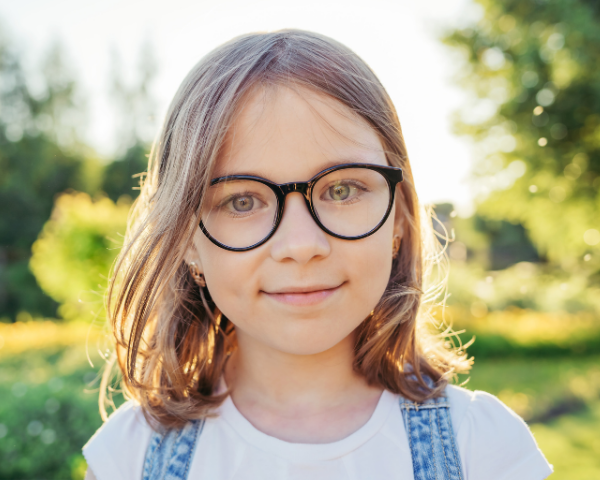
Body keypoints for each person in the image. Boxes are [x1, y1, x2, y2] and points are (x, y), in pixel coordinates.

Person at [83, 29, 553, 480]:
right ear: (186, 239)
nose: (302, 245)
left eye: (343, 189)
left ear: (399, 218)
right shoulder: (130, 457)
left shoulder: (485, 451)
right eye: (242, 200)